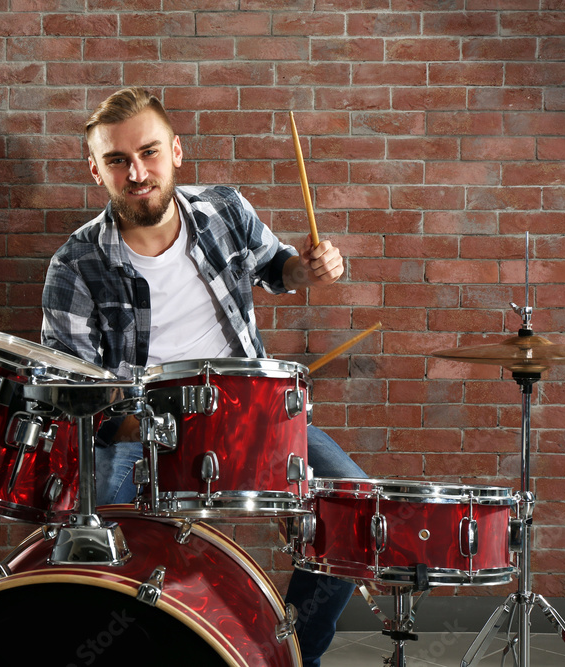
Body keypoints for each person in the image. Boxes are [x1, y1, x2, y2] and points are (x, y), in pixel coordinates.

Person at [41, 87, 366, 667]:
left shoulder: (224, 210)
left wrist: (310, 269)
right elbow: (72, 388)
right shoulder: (76, 263)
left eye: (149, 152)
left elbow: (277, 267)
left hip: (253, 416)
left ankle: (292, 655)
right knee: (84, 550)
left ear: (177, 152)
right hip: (143, 428)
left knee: (354, 510)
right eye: (118, 160)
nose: (137, 173)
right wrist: (128, 418)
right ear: (96, 170)